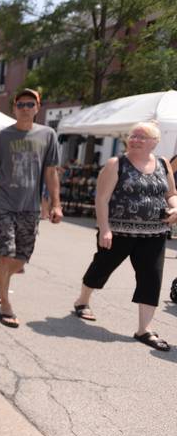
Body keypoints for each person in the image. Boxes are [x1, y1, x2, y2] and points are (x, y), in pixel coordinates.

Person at [72, 122, 177, 351]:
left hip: (154, 233)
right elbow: (101, 199)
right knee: (102, 267)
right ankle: (83, 301)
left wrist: (175, 208)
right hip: (118, 232)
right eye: (133, 136)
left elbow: (171, 194)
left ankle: (144, 329)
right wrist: (105, 228)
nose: (136, 139)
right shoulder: (115, 164)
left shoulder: (163, 164)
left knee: (152, 278)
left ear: (154, 142)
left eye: (142, 137)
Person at [0, 88, 62, 328]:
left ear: (37, 108)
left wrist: (56, 204)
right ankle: (5, 306)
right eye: (20, 104)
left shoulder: (48, 135)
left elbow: (51, 172)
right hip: (4, 204)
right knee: (5, 253)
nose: (25, 108)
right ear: (14, 108)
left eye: (30, 104)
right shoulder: (0, 137)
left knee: (21, 260)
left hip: (30, 207)